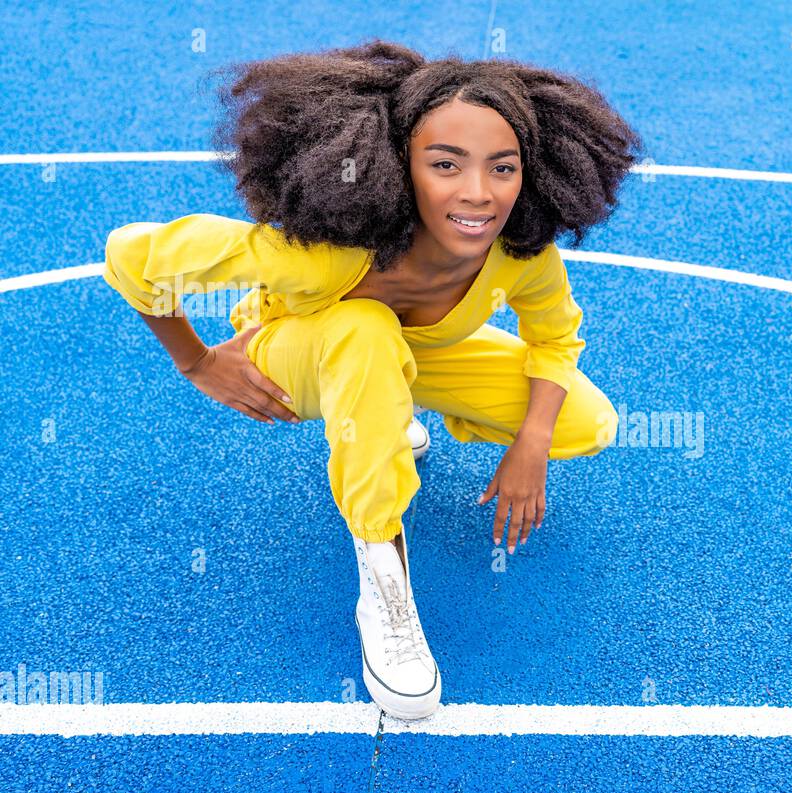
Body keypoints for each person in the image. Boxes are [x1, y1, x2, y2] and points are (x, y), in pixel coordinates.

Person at [100, 40, 643, 720]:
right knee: (365, 332)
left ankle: (384, 417)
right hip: (301, 354)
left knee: (585, 422)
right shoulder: (316, 258)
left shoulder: (515, 256)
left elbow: (556, 338)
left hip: (409, 352)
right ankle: (381, 572)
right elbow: (130, 256)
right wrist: (198, 362)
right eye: (446, 164)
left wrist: (532, 442)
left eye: (501, 168)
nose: (478, 192)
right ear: (402, 166)